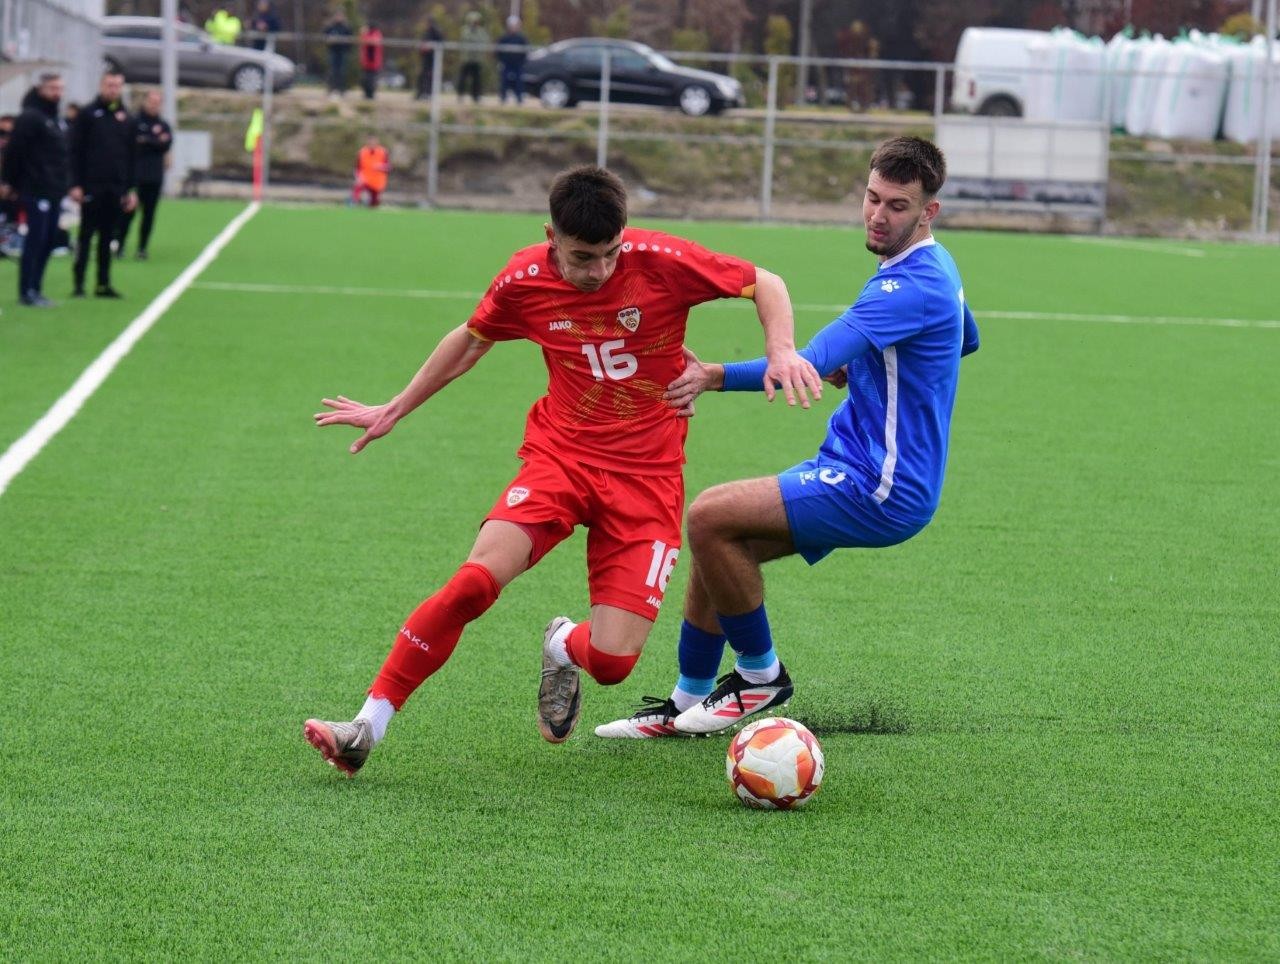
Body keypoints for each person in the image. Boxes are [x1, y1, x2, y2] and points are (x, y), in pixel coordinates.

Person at [302, 165, 821, 775]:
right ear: (550, 235)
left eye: (609, 254)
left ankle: (560, 645)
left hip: (647, 480)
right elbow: (471, 339)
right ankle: (366, 724)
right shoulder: (523, 278)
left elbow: (767, 282)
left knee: (612, 663)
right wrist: (396, 406)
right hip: (559, 459)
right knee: (474, 581)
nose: (598, 270)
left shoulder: (662, 260)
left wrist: (781, 349)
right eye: (581, 257)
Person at [595, 136, 981, 739]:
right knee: (724, 546)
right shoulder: (938, 268)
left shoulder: (910, 286)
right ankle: (686, 704)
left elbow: (812, 357)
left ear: (929, 211)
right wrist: (881, 366)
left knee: (709, 514)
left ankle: (759, 676)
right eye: (872, 198)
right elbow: (964, 337)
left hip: (882, 483)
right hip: (861, 461)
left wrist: (719, 376)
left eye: (898, 206)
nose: (879, 216)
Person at [0, 74, 69, 306]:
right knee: (36, 239)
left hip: (54, 188)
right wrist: (8, 182)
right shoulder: (30, 117)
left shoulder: (56, 119)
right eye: (52, 88)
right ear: (41, 89)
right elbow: (15, 152)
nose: (56, 93)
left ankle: (36, 287)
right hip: (35, 187)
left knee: (49, 239)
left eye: (59, 88)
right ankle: (26, 290)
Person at [69, 70, 136, 299]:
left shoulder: (125, 116)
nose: (113, 90)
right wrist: (76, 184)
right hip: (91, 186)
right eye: (109, 85)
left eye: (117, 86)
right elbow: (75, 151)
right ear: (101, 85)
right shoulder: (88, 114)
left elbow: (130, 155)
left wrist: (129, 189)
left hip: (115, 187)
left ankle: (103, 283)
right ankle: (79, 282)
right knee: (86, 235)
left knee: (108, 237)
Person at [116, 89, 171, 260]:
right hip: (135, 176)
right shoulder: (134, 122)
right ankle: (120, 245)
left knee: (149, 214)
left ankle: (142, 248)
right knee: (127, 212)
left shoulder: (163, 125)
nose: (154, 105)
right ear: (145, 102)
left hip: (154, 176)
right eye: (151, 101)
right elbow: (133, 143)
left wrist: (147, 140)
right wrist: (153, 141)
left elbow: (165, 144)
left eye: (158, 102)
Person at [495, 16, 529, 105]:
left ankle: (519, 98)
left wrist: (522, 61)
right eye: (512, 26)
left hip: (518, 64)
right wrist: (501, 60)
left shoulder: (521, 38)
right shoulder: (504, 38)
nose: (514, 28)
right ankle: (503, 98)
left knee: (519, 82)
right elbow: (498, 51)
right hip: (506, 63)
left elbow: (525, 51)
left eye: (515, 26)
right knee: (504, 81)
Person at [458, 11, 489, 104]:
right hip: (466, 59)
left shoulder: (481, 31)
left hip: (477, 60)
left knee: (477, 79)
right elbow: (465, 40)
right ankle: (460, 95)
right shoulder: (465, 30)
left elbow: (484, 41)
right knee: (463, 78)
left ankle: (476, 96)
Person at [351, 134, 389, 207]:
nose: (372, 143)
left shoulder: (383, 152)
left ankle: (373, 206)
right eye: (370, 141)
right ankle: (354, 204)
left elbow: (388, 166)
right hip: (365, 178)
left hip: (377, 180)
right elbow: (357, 167)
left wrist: (381, 166)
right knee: (357, 189)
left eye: (374, 142)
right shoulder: (362, 152)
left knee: (374, 202)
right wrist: (358, 177)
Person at [323, 10, 354, 99]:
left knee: (341, 72)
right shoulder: (331, 27)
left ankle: (341, 90)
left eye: (340, 16)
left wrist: (348, 49)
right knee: (332, 71)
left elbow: (350, 40)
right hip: (333, 51)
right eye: (337, 16)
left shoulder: (346, 27)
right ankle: (331, 89)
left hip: (342, 52)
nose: (338, 18)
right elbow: (325, 37)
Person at [415, 17, 443, 100]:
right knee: (423, 76)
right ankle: (421, 93)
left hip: (433, 59)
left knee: (429, 77)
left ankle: (427, 94)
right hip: (426, 58)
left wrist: (430, 48)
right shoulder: (427, 32)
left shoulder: (435, 32)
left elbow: (439, 44)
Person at [359, 21, 384, 100]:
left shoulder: (376, 33)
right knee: (365, 79)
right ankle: (366, 94)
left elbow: (372, 41)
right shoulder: (366, 34)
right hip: (367, 62)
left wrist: (364, 34)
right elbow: (363, 41)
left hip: (374, 62)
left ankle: (371, 95)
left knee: (372, 80)